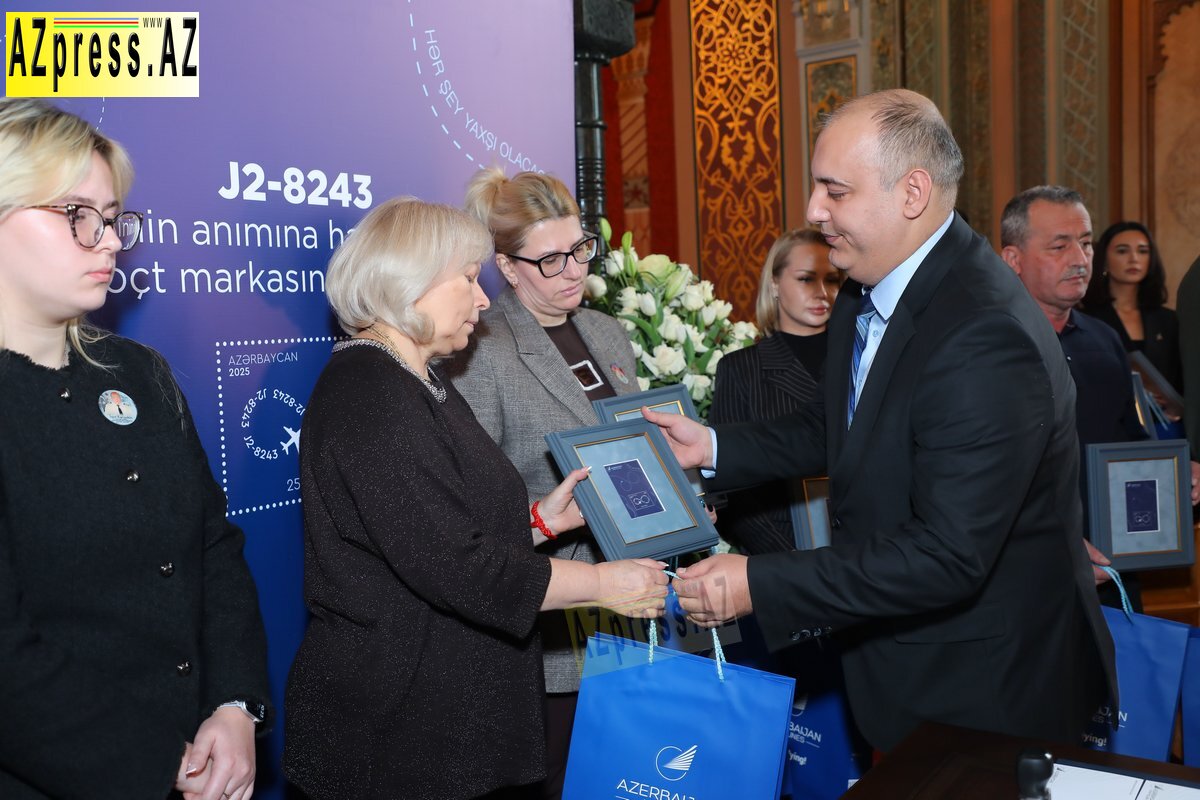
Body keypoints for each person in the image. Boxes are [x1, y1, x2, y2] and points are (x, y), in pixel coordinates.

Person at [643, 88, 1117, 753]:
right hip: (907, 671)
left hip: (984, 691)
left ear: (912, 193)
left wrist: (758, 582)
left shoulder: (983, 333)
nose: (814, 210)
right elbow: (843, 425)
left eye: (835, 191)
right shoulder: (869, 286)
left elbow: (947, 554)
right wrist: (715, 445)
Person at [282, 197, 667, 800]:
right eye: (467, 279)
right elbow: (459, 567)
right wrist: (603, 584)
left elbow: (442, 529)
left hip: (438, 718)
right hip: (395, 731)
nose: (484, 299)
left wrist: (539, 521)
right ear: (410, 283)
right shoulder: (370, 395)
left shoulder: (417, 379)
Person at [0, 98, 270, 799]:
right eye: (76, 214)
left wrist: (235, 705)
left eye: (113, 217)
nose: (109, 241)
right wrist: (162, 763)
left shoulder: (139, 372)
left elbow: (213, 547)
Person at [447, 169, 640, 797]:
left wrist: (680, 498)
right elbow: (473, 506)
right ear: (506, 266)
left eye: (580, 248)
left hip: (634, 602)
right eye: (550, 260)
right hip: (555, 622)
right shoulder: (482, 347)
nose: (574, 271)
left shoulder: (607, 331)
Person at [999, 186, 1200, 612]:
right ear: (1013, 259)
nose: (1080, 259)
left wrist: (1175, 475)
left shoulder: (1104, 340)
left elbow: (1129, 444)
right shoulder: (986, 346)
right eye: (1060, 246)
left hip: (1111, 570)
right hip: (1023, 582)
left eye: (1087, 243)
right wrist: (1057, 546)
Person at [708, 228, 841, 554]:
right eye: (806, 279)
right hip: (783, 555)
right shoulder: (741, 369)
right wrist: (792, 563)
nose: (822, 292)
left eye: (833, 280)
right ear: (775, 284)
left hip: (869, 552)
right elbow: (731, 491)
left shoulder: (860, 357)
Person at [1082, 221, 1182, 392]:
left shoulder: (1170, 320)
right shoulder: (1085, 319)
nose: (1134, 259)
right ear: (1104, 260)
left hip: (1165, 410)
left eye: (1142, 251)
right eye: (1122, 251)